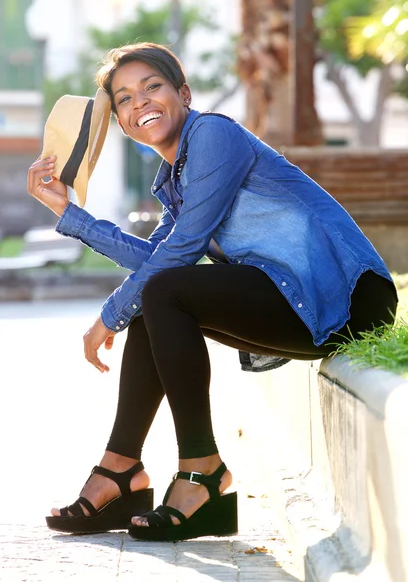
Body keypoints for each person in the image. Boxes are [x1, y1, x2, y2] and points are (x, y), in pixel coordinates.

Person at [27, 42, 398, 542]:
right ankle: (121, 470)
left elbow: (177, 257)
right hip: (297, 302)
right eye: (125, 99)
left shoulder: (214, 134)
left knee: (160, 290)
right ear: (119, 121)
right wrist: (67, 214)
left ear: (183, 93)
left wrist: (106, 318)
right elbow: (156, 261)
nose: (140, 102)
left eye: (152, 87)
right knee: (154, 294)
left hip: (348, 297)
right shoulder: (177, 179)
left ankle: (202, 474)